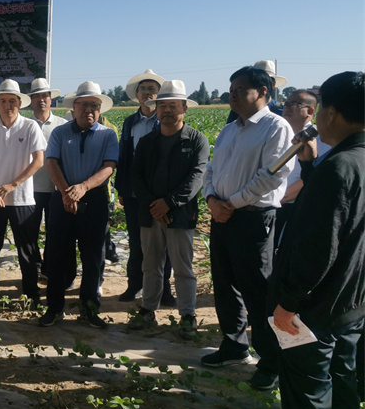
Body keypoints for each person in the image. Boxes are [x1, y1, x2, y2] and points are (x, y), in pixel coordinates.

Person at [242, 71, 365, 409]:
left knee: (307, 405)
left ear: (330, 112)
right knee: (344, 396)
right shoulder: (356, 161)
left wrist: (287, 303)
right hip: (351, 305)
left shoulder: (341, 168)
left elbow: (318, 248)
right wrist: (311, 165)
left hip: (312, 310)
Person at [201, 66, 294, 391]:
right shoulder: (230, 130)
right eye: (232, 88)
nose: (233, 94)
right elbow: (211, 169)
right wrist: (212, 199)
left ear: (264, 92)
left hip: (254, 219)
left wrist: (233, 204)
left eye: (240, 88)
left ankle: (271, 360)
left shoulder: (275, 127)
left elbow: (272, 175)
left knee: (257, 290)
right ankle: (234, 344)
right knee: (225, 283)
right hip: (222, 216)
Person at [129, 81, 209, 338]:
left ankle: (188, 316)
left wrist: (170, 203)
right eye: (162, 105)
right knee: (150, 264)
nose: (166, 110)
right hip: (150, 213)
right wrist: (153, 205)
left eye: (172, 105)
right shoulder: (147, 141)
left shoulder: (196, 139)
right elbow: (136, 175)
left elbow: (197, 177)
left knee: (183, 267)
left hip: (180, 214)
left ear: (184, 108)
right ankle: (148, 310)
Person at [38, 82, 118, 328]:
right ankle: (54, 308)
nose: (89, 111)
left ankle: (89, 309)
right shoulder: (61, 133)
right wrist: (66, 193)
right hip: (62, 196)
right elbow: (51, 163)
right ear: (74, 107)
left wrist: (82, 188)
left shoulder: (107, 134)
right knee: (58, 256)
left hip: (94, 200)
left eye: (94, 106)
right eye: (84, 105)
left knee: (93, 256)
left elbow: (108, 167)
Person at [0, 79, 46, 306]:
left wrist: (13, 185)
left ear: (19, 103)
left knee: (26, 251)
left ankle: (31, 296)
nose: (8, 105)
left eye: (12, 101)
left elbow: (38, 161)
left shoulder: (30, 127)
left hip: (22, 199)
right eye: (3, 101)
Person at [115, 69, 175, 305]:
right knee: (136, 241)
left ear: (158, 95)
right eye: (143, 89)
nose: (147, 93)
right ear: (137, 95)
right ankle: (134, 285)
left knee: (164, 245)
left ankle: (165, 290)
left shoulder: (167, 120)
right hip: (133, 194)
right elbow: (124, 157)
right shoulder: (130, 122)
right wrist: (121, 189)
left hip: (161, 195)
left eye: (152, 89)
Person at [276, 89, 330, 240]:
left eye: (294, 104)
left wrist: (282, 197)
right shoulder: (281, 135)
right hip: (273, 202)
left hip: (291, 205)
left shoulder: (320, 140)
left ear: (310, 111)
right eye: (286, 103)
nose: (286, 108)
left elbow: (313, 174)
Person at [28, 78, 67, 279]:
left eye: (44, 96)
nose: (41, 100)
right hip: (31, 188)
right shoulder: (24, 125)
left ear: (51, 99)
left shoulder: (63, 125)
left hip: (56, 188)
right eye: (36, 96)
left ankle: (49, 266)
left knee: (54, 230)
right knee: (30, 231)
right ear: (31, 100)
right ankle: (34, 266)